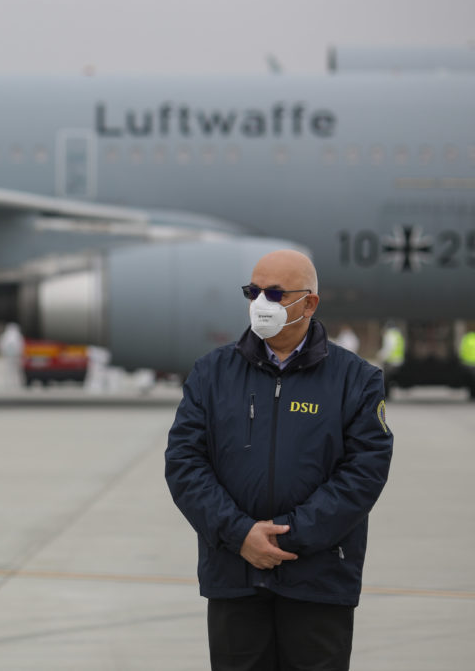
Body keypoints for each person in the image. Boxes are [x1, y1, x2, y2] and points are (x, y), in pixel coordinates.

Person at [165, 249, 392, 671]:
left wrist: (287, 539)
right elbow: (184, 463)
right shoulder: (211, 373)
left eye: (274, 293)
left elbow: (364, 474)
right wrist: (240, 535)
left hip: (318, 580)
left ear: (309, 303)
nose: (261, 304)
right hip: (234, 574)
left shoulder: (356, 380)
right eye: (253, 291)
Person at [0, 322, 25, 388]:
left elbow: (0, 345)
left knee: (8, 369)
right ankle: (16, 383)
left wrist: (2, 352)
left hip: (8, 355)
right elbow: (21, 346)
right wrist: (20, 353)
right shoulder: (18, 335)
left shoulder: (5, 335)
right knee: (16, 370)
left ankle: (8, 383)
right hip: (15, 355)